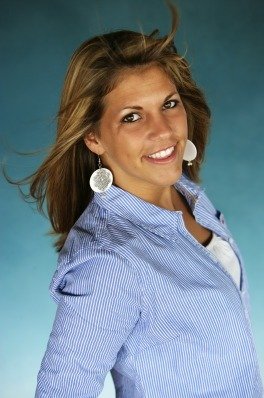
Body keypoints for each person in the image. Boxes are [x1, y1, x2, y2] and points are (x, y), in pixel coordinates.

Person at [16, 5, 262, 398]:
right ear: (93, 137)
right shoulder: (109, 260)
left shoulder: (188, 195)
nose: (163, 131)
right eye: (132, 117)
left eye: (169, 104)